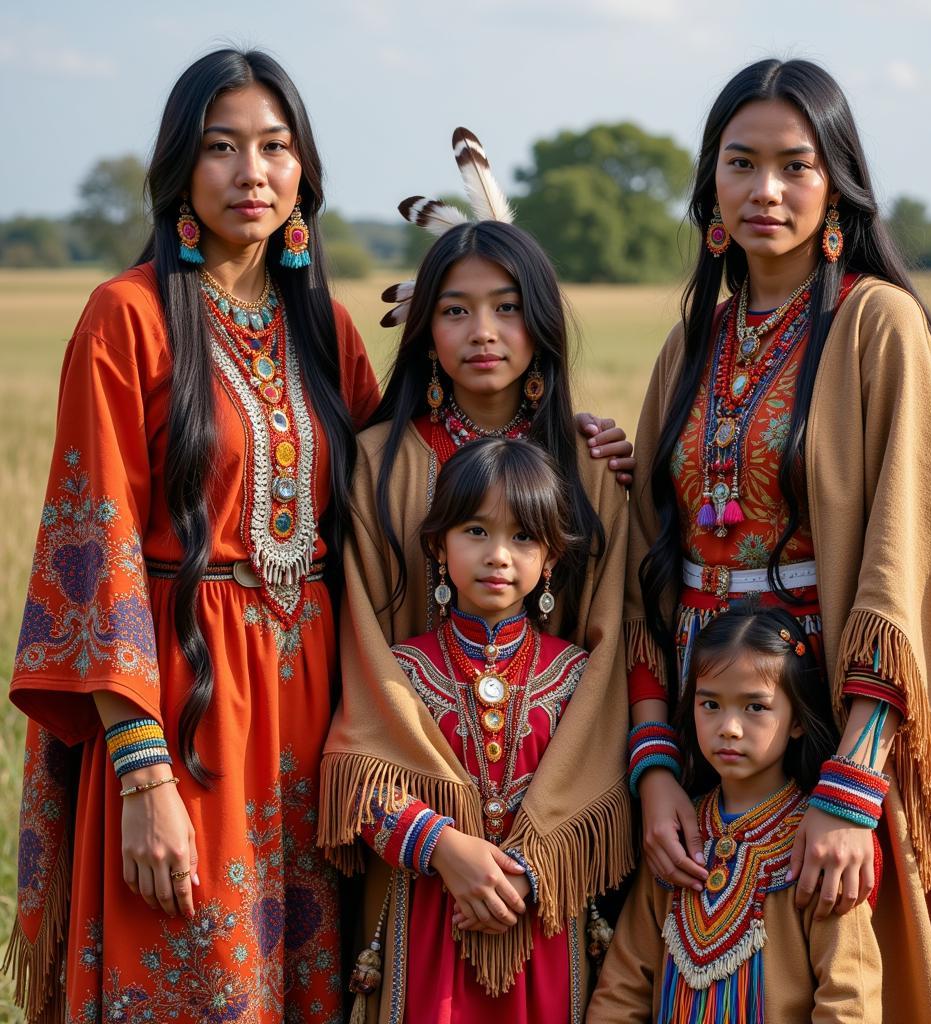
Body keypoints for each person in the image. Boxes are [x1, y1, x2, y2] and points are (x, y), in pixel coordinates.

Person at [6, 49, 380, 1023]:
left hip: (319, 728)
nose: (250, 173)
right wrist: (142, 775)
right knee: (197, 988)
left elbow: (411, 499)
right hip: (186, 715)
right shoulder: (125, 317)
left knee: (318, 991)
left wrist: (557, 429)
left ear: (304, 173)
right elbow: (95, 550)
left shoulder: (329, 332)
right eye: (221, 149)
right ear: (180, 169)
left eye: (273, 147)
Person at [624, 59, 931, 1023]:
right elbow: (647, 564)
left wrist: (850, 788)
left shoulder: (881, 325)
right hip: (705, 714)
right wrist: (658, 767)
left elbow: (898, 560)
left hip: (826, 716)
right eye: (740, 165)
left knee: (835, 980)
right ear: (711, 187)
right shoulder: (692, 340)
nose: (766, 191)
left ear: (836, 186)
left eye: (796, 165)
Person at [318, 157, 632, 1020]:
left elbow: (612, 651)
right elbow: (361, 653)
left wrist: (544, 841)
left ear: (541, 324)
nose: (482, 330)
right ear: (423, 329)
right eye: (455, 310)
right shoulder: (378, 464)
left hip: (551, 844)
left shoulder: (587, 467)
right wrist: (441, 842)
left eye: (505, 308)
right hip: (415, 838)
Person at [348, 437, 611, 1022]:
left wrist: (529, 876)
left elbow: (603, 791)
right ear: (439, 545)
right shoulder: (403, 670)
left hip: (542, 923)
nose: (498, 555)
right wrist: (441, 847)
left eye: (523, 537)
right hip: (430, 915)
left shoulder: (573, 674)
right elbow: (355, 779)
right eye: (475, 531)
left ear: (551, 559)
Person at [590, 607, 882, 1022]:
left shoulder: (818, 848)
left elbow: (849, 998)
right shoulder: (675, 837)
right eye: (710, 703)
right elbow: (623, 987)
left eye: (755, 708)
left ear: (797, 719)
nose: (728, 727)